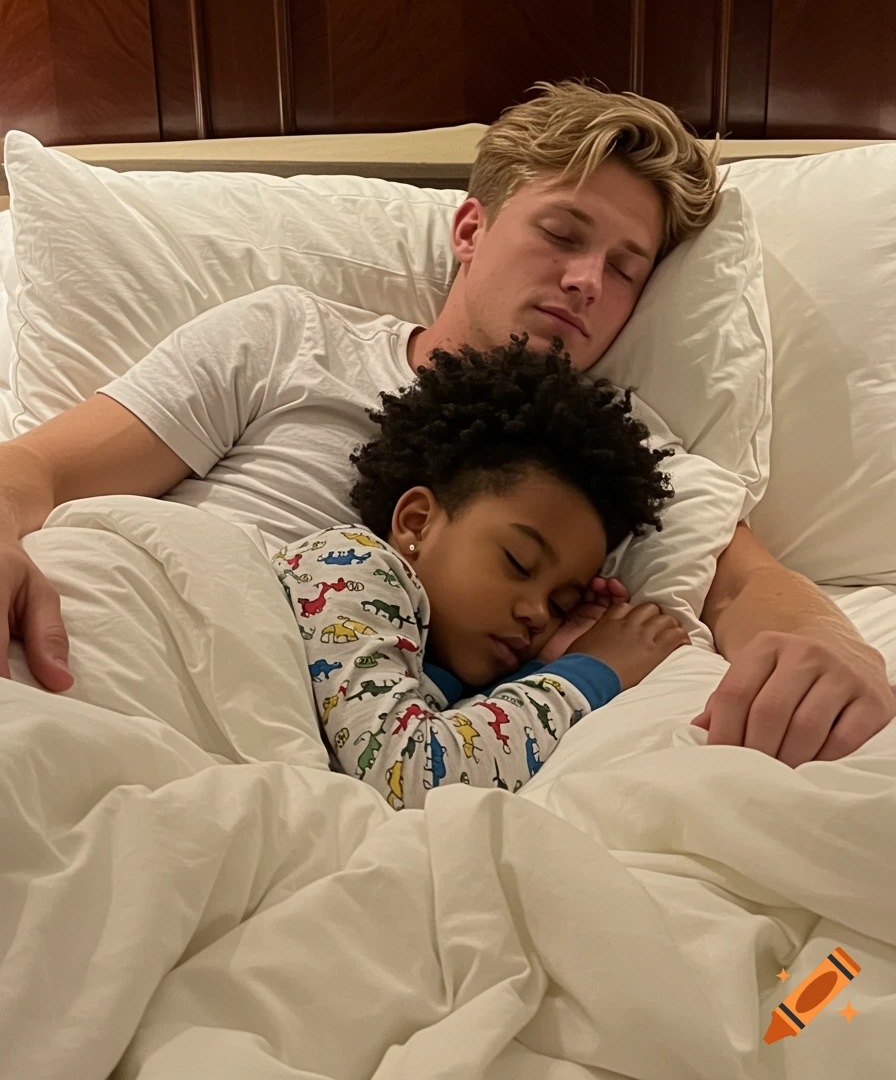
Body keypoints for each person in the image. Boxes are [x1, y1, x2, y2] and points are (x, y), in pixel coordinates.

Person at [0, 82, 891, 767]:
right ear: (470, 228)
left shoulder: (625, 466)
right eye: (562, 233)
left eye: (626, 266)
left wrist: (827, 647)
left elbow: (747, 589)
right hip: (128, 658)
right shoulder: (287, 338)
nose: (588, 279)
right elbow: (40, 468)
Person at [274, 336, 689, 808]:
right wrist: (589, 672)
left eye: (561, 604)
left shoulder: (440, 673)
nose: (536, 613)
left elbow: (452, 742)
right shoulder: (350, 563)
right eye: (518, 562)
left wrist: (546, 660)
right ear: (417, 522)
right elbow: (412, 774)